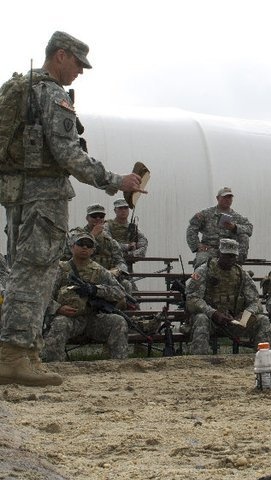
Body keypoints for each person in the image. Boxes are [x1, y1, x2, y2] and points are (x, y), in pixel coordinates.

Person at [0, 31, 144, 387]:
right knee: (33, 272)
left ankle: (28, 353)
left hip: (19, 193)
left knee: (30, 270)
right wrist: (115, 181)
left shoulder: (23, 89)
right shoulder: (51, 94)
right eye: (78, 64)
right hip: (43, 198)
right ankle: (13, 354)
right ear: (60, 55)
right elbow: (69, 155)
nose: (79, 72)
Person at [43, 233, 128, 362]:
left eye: (89, 245)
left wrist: (96, 290)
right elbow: (44, 296)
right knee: (60, 324)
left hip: (92, 318)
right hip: (69, 319)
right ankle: (56, 367)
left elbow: (120, 292)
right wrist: (58, 308)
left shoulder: (99, 271)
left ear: (93, 250)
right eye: (80, 244)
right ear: (72, 247)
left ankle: (119, 365)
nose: (84, 247)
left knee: (118, 321)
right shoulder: (60, 269)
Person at [184, 239, 270, 355]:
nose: (230, 259)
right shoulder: (204, 271)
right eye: (227, 256)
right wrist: (213, 313)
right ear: (219, 254)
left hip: (234, 321)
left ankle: (263, 358)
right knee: (201, 319)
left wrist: (244, 316)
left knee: (262, 320)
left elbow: (255, 302)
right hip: (211, 321)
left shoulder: (241, 274)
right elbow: (192, 299)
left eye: (233, 256)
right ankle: (200, 360)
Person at [186, 186, 253, 268]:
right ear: (218, 198)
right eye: (224, 197)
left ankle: (239, 265)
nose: (227, 200)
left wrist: (234, 227)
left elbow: (249, 228)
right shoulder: (206, 213)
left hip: (229, 250)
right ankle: (201, 280)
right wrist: (197, 245)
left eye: (230, 198)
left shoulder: (236, 217)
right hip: (209, 249)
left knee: (244, 235)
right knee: (201, 264)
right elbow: (192, 228)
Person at [105, 197, 148, 266]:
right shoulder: (108, 225)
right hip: (111, 263)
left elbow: (144, 243)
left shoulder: (132, 227)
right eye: (120, 208)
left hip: (128, 263)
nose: (123, 210)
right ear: (115, 210)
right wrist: (127, 247)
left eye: (125, 208)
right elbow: (107, 243)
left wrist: (132, 252)